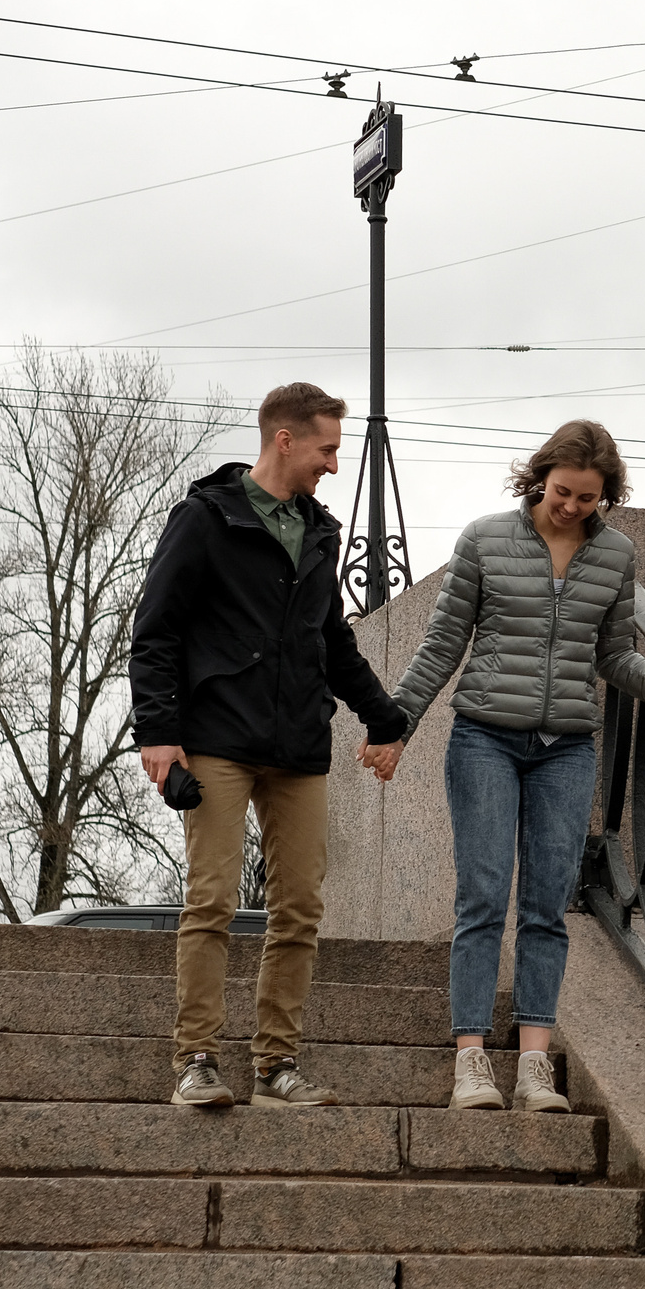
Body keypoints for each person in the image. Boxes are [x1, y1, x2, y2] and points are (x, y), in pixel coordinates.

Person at [375, 420, 645, 1111]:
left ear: (606, 496)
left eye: (588, 498)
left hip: (567, 750)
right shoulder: (485, 539)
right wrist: (394, 726)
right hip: (485, 738)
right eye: (562, 492)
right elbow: (442, 643)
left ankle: (534, 1065)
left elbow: (616, 657)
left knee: (546, 907)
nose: (572, 506)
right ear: (539, 476)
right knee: (483, 896)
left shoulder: (614, 556)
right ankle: (471, 1061)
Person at [132, 382, 412, 1109]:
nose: (334, 465)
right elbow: (156, 629)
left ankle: (275, 1065)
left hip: (298, 745)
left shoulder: (318, 532)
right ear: (285, 439)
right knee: (212, 900)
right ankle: (196, 1060)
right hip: (218, 737)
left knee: (300, 908)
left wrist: (384, 718)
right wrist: (157, 732)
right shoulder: (206, 517)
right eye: (327, 449)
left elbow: (332, 640)